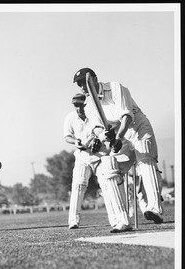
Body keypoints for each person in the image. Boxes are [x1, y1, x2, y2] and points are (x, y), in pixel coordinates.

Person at [73, 67, 163, 224]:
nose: (82, 87)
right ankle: (121, 220)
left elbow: (127, 115)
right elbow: (98, 127)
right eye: (79, 84)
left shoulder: (115, 88)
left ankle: (155, 208)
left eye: (83, 82)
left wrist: (118, 137)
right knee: (109, 167)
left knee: (145, 158)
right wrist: (104, 137)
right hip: (120, 134)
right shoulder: (89, 106)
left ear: (94, 79)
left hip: (137, 126)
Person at [64, 93, 132, 233]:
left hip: (100, 156)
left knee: (107, 187)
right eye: (76, 105)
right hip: (82, 156)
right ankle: (73, 220)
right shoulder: (70, 117)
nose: (78, 108)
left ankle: (115, 220)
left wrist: (98, 138)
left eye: (81, 105)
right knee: (78, 186)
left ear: (86, 105)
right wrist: (76, 142)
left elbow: (102, 130)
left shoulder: (95, 116)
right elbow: (67, 136)